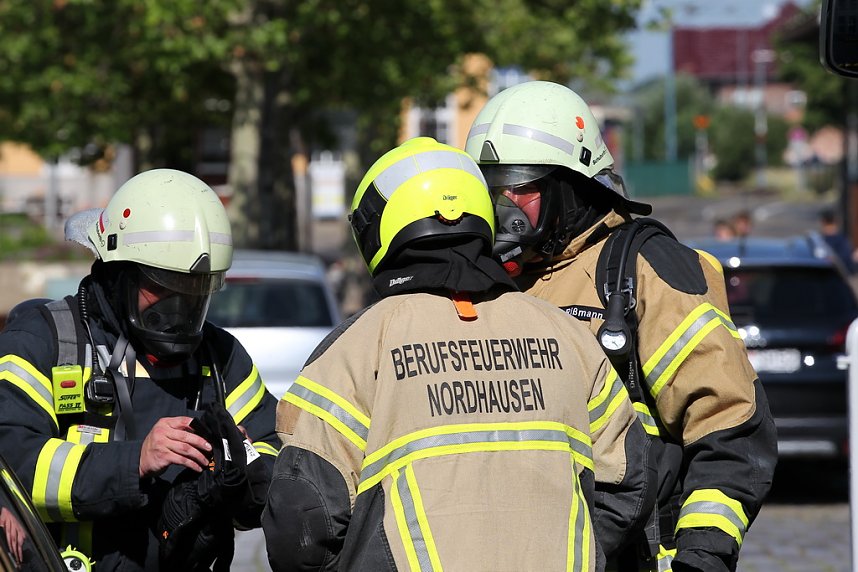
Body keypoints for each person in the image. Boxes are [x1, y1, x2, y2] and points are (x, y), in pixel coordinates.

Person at [262, 137, 657, 571]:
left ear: (379, 229)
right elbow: (628, 482)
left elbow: (302, 522)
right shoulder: (568, 335)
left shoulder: (358, 347)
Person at [465, 81, 777, 572]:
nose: (503, 204)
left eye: (520, 186)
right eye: (491, 188)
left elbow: (729, 426)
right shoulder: (484, 281)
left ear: (570, 186)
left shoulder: (645, 272)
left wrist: (702, 554)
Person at [0, 169, 280, 570]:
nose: (179, 310)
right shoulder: (44, 343)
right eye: (163, 285)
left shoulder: (220, 358)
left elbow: (275, 454)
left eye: (195, 291)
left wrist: (242, 472)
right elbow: (12, 465)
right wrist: (133, 461)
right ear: (118, 273)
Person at [819, 208, 855, 273]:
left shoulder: (819, 241)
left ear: (823, 222)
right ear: (836, 221)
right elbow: (849, 263)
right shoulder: (842, 240)